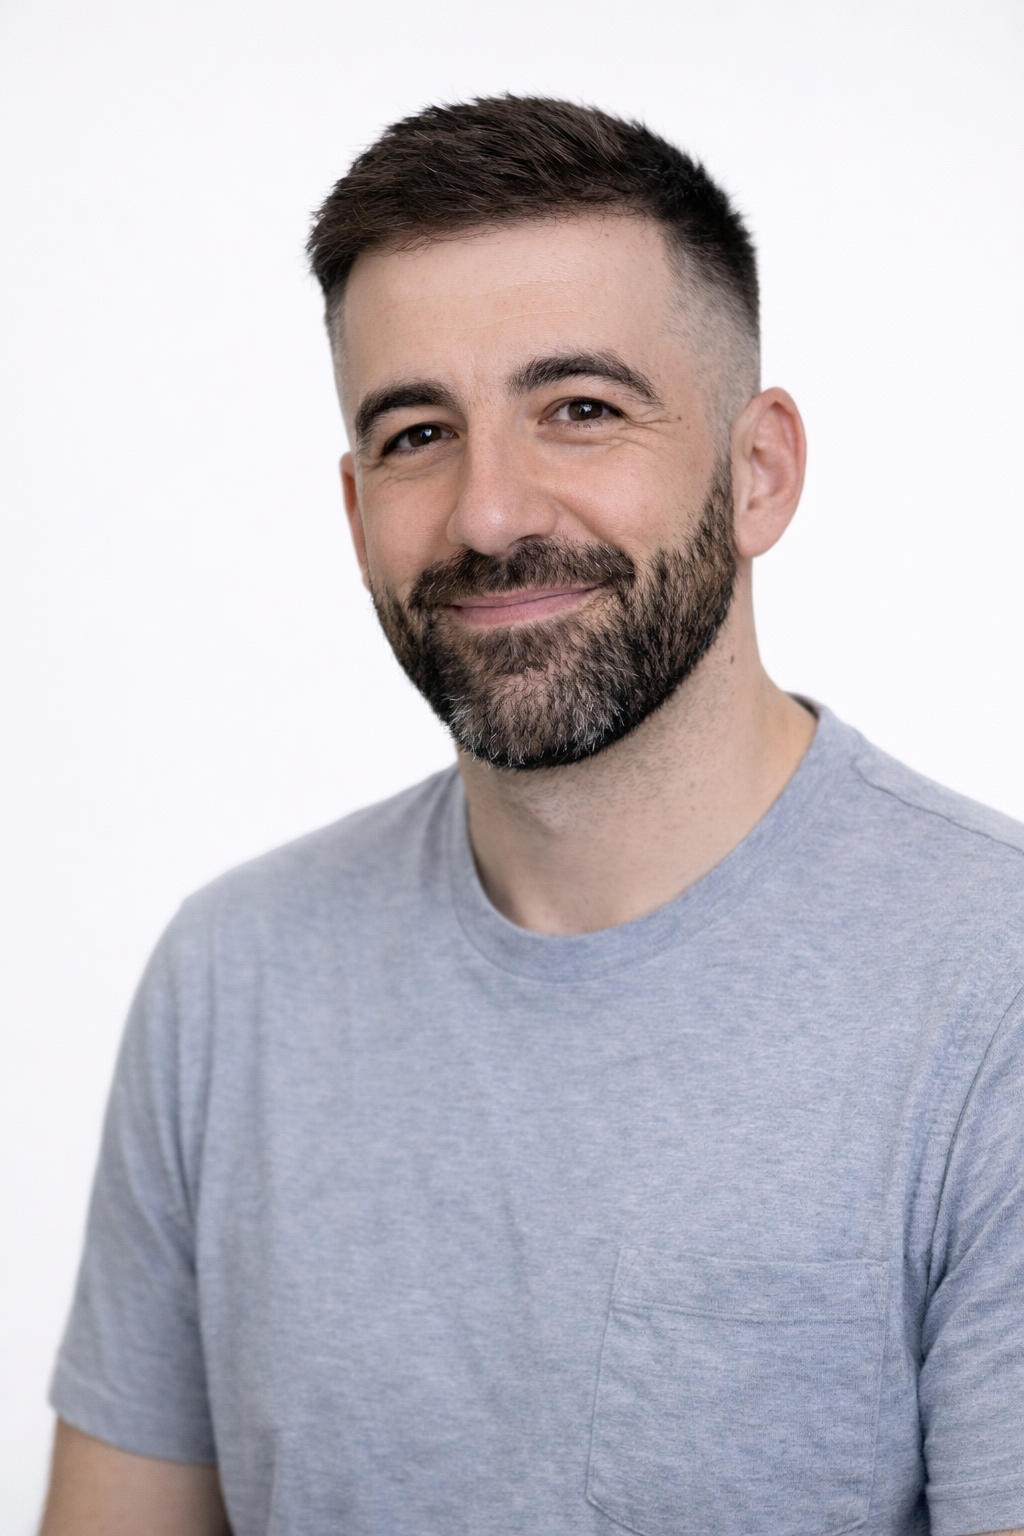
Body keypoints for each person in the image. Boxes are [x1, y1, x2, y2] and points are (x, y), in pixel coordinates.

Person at [39, 97, 1024, 1536]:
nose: (491, 513)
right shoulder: (229, 982)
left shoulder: (988, 989)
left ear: (760, 472)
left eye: (580, 409)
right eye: (418, 431)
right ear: (353, 502)